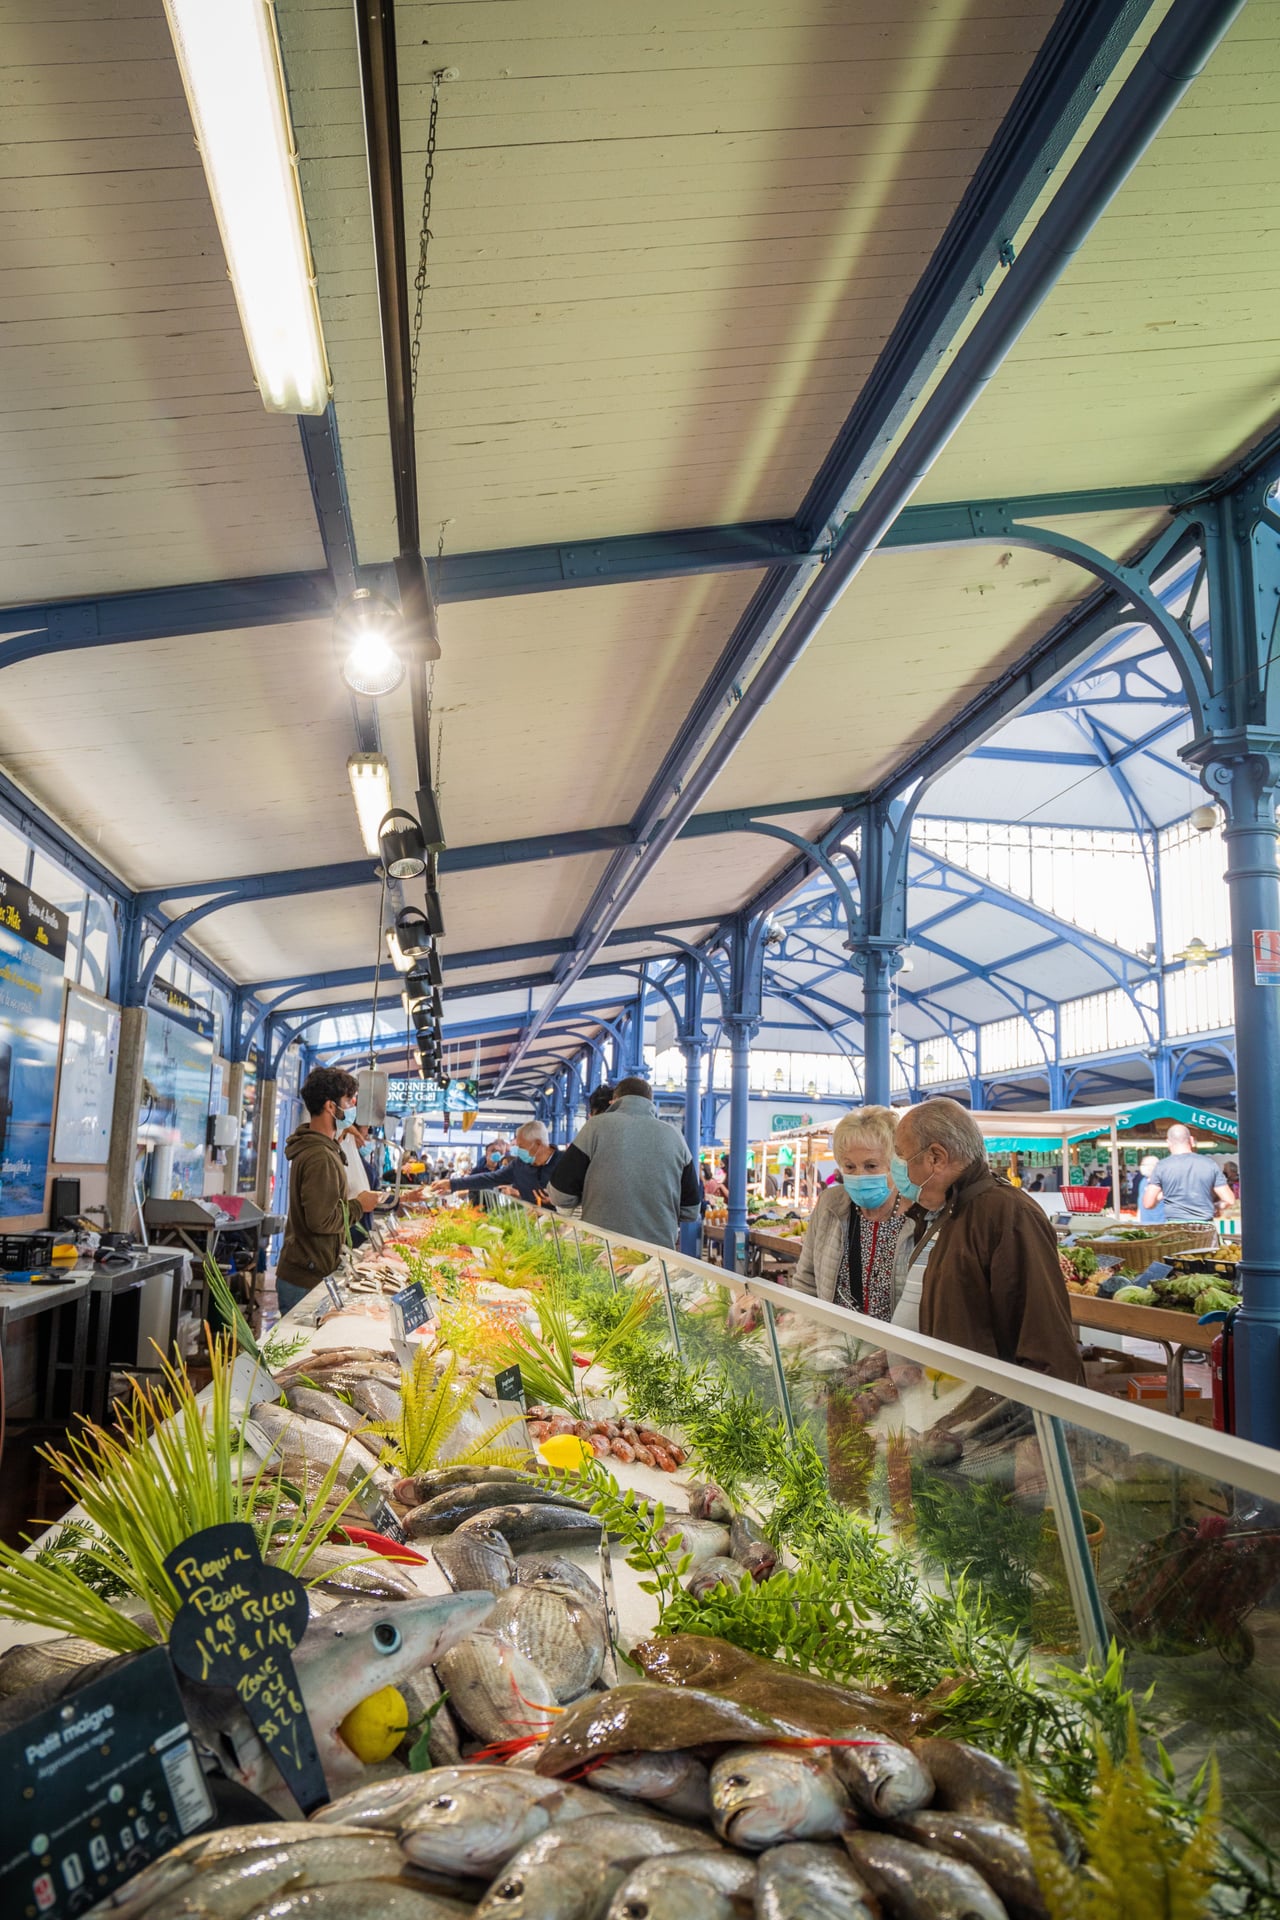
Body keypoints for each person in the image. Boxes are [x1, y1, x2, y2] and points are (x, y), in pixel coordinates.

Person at [891, 1098, 1082, 1382]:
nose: (895, 1169)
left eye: (900, 1155)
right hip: (949, 1406)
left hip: (987, 1415)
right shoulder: (947, 1211)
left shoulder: (1009, 1215)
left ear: (936, 1158)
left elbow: (1045, 1342)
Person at [275, 1067, 383, 1316]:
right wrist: (360, 1205)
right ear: (331, 1107)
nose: (353, 1107)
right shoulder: (320, 1157)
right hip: (305, 1278)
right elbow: (321, 1220)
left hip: (310, 1270)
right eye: (348, 1100)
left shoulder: (325, 1149)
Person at [548, 1075, 700, 1245]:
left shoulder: (596, 1127)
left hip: (601, 1250)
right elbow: (691, 1210)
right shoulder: (675, 1136)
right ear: (650, 1101)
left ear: (614, 1101)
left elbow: (560, 1195)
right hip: (658, 1255)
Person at [791, 1106, 907, 1318]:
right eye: (850, 1167)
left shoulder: (916, 1217)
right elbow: (806, 1280)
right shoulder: (829, 1205)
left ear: (895, 1164)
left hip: (896, 1348)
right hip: (833, 1344)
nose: (859, 1175)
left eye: (871, 1166)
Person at [430, 1122, 560, 1203]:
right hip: (534, 1226)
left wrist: (557, 1202)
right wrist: (452, 1184)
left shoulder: (565, 1163)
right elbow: (490, 1178)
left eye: (521, 1146)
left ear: (537, 1144)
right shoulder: (519, 1166)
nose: (517, 1151)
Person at [1142, 1125, 1234, 1223]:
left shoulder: (1162, 1166)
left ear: (1168, 1142)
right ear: (1191, 1140)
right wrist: (1216, 1206)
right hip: (1204, 1227)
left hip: (1175, 1228)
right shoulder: (1209, 1164)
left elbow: (1148, 1204)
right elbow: (1229, 1200)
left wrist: (1161, 1196)